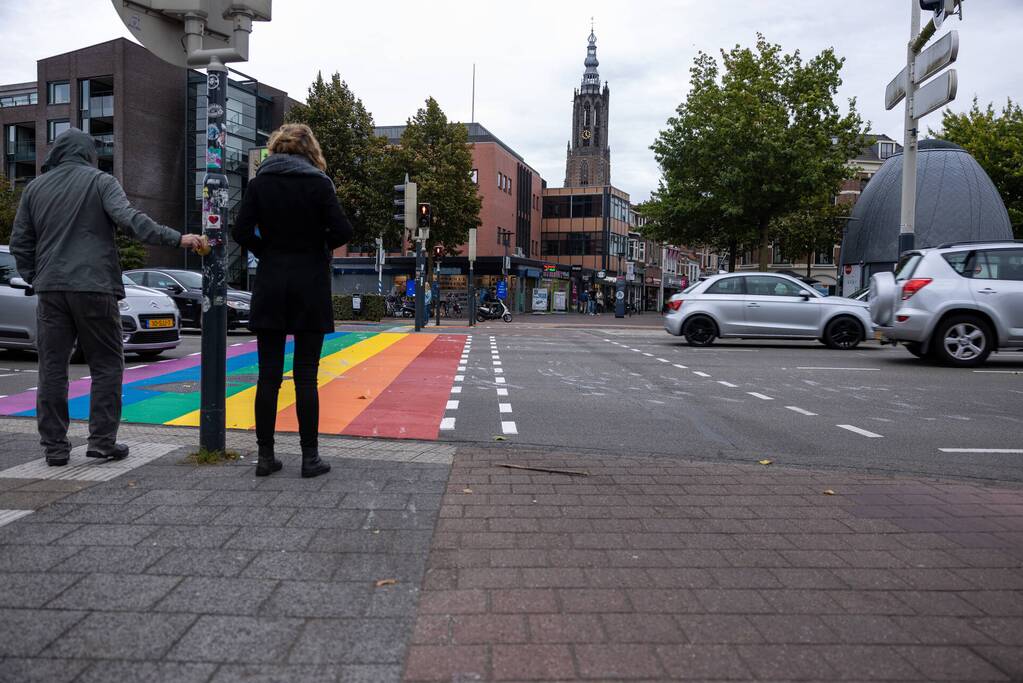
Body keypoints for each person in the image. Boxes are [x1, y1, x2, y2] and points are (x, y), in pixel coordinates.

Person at [10, 128, 202, 467]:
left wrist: (37, 278)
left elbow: (20, 244)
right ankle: (101, 441)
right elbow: (131, 221)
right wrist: (178, 239)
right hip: (95, 287)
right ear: (88, 154)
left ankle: (54, 447)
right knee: (106, 364)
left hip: (51, 290)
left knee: (52, 369)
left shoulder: (35, 189)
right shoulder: (101, 182)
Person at [232, 123, 352, 478]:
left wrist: (267, 250)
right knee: (306, 376)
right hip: (309, 286)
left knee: (268, 376)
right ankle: (309, 458)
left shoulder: (259, 184)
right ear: (309, 150)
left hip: (270, 283)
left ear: (275, 149)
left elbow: (239, 231)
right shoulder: (319, 184)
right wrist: (316, 247)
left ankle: (265, 458)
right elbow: (343, 231)